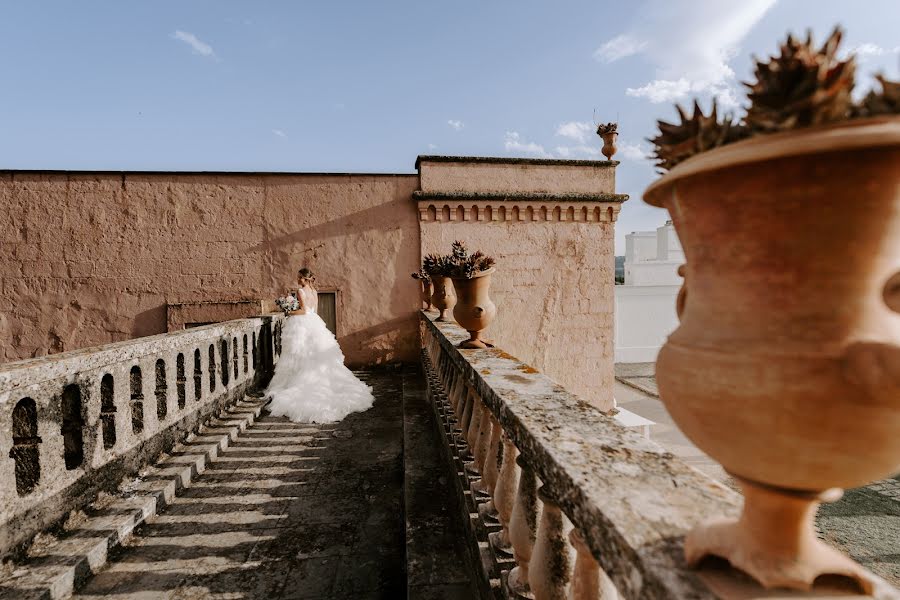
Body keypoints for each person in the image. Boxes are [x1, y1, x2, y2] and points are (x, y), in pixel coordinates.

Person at [265, 268, 374, 422]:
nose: (297, 280)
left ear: (303, 279)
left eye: (299, 277)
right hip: (315, 322)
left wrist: (288, 311)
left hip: (302, 324)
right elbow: (313, 311)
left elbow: (303, 311)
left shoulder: (300, 291)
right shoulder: (315, 292)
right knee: (314, 354)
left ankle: (297, 382)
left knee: (301, 353)